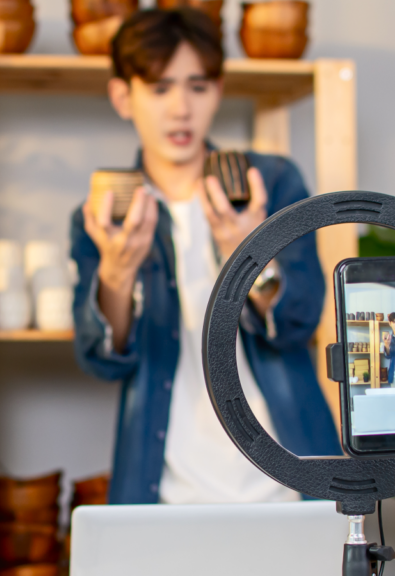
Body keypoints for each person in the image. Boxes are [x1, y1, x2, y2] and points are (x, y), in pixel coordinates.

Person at [69, 8, 340, 505]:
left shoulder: (272, 183)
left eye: (197, 86)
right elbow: (101, 359)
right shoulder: (105, 215)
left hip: (288, 482)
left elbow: (300, 321)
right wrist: (115, 273)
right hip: (166, 492)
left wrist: (249, 256)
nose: (180, 109)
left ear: (218, 90)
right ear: (122, 96)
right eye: (160, 88)